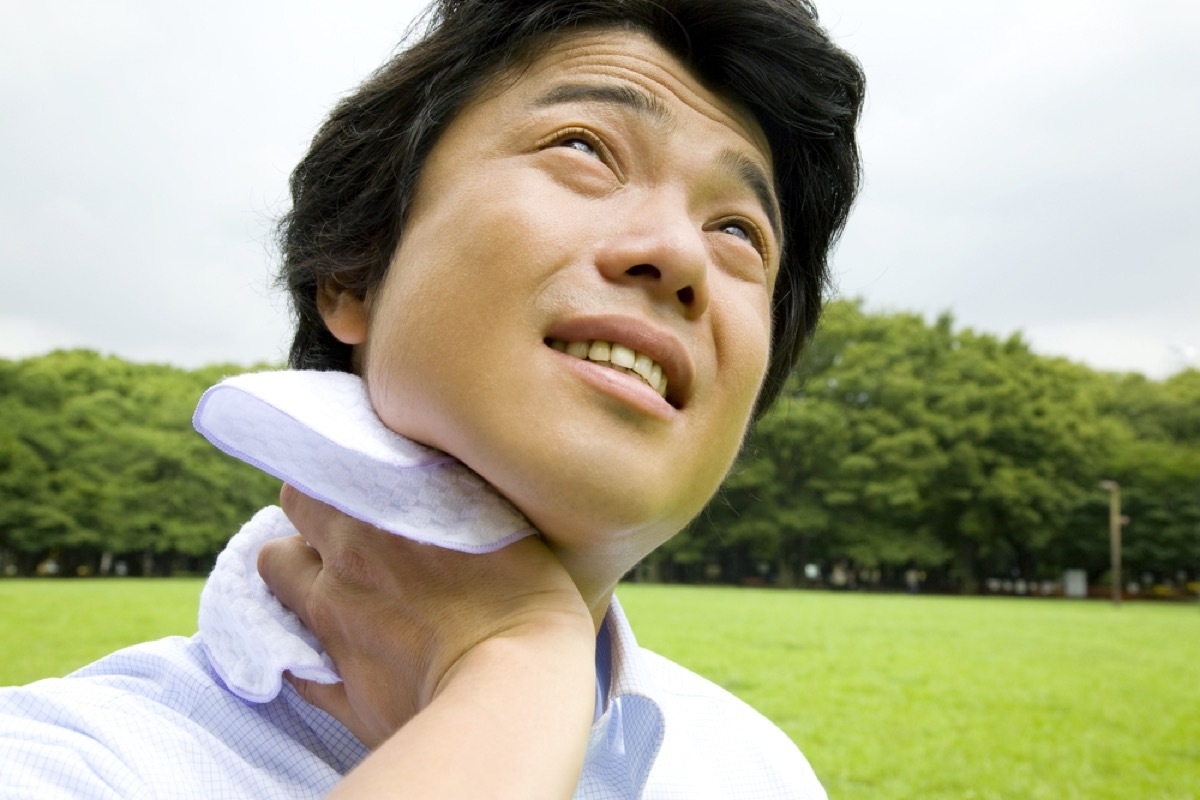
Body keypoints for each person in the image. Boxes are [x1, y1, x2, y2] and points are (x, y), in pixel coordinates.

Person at [0, 0, 864, 796]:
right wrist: (518, 671)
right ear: (355, 267)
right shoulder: (71, 761)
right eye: (584, 147)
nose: (678, 253)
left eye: (738, 232)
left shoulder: (756, 771)